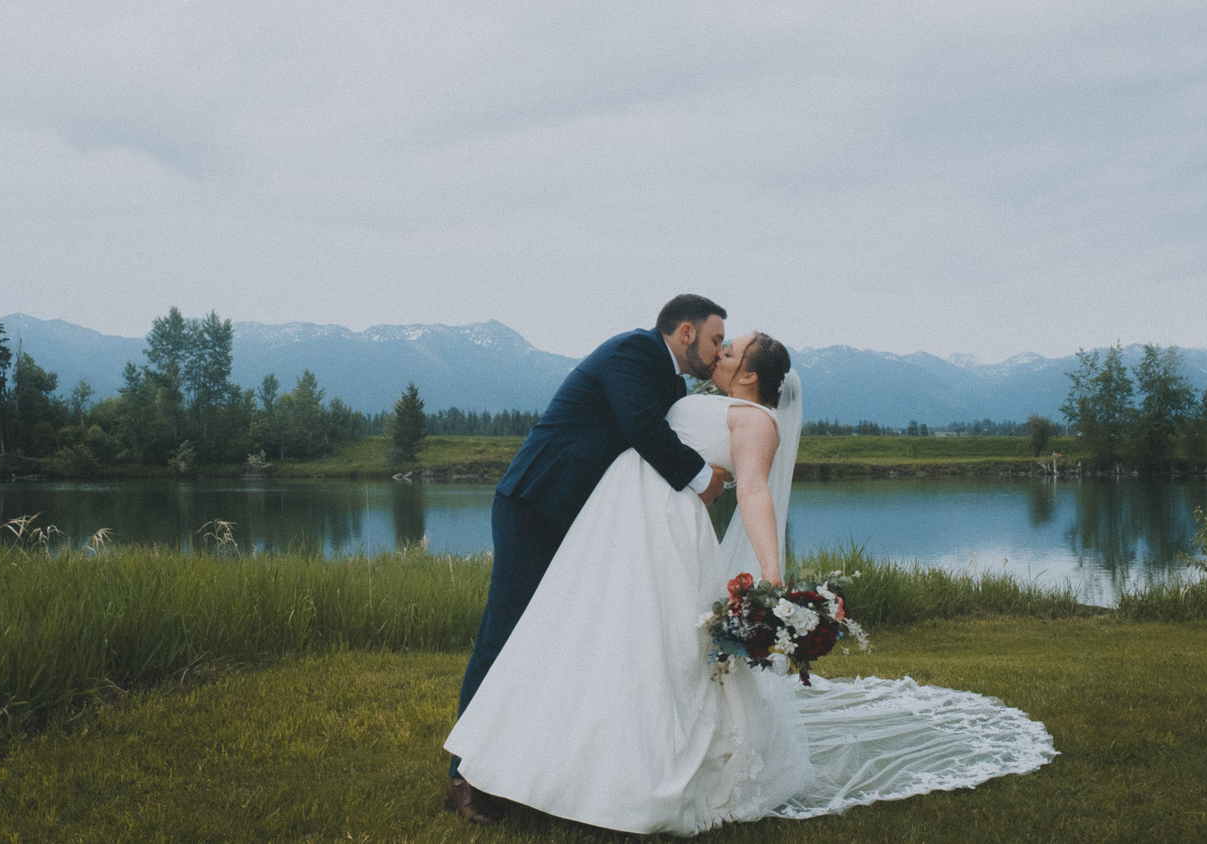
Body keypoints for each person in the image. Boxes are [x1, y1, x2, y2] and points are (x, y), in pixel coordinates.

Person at [445, 332, 1057, 835]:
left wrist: (772, 575)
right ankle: (518, 768)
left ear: (750, 378)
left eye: (731, 350)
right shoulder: (688, 394)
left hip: (663, 531)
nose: (720, 353)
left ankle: (626, 776)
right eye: (720, 343)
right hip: (613, 522)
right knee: (581, 635)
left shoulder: (754, 420)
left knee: (652, 649)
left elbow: (757, 492)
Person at [445, 294, 734, 823]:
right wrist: (702, 481)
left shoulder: (671, 381)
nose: (719, 352)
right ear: (687, 332)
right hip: (537, 502)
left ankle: (527, 762)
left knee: (561, 638)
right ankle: (463, 776)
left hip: (584, 517)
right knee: (506, 631)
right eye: (716, 339)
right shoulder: (636, 352)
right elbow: (641, 426)